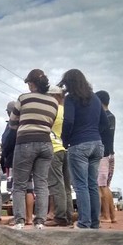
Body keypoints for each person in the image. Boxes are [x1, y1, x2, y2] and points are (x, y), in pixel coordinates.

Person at [58, 69, 108, 229]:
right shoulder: (95, 98)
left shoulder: (71, 98)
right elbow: (105, 123)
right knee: (92, 184)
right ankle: (94, 222)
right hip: (97, 144)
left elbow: (69, 121)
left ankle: (84, 222)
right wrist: (94, 134)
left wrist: (65, 141)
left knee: (80, 185)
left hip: (79, 145)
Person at [9, 69, 58, 230]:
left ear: (33, 84)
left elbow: (12, 122)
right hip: (45, 143)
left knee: (20, 184)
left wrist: (23, 127)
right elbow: (49, 124)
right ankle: (40, 222)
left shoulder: (24, 98)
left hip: (25, 142)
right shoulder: (53, 103)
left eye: (29, 83)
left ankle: (19, 221)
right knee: (41, 184)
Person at [45, 85, 74, 227]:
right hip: (66, 149)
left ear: (54, 96)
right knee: (66, 186)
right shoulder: (67, 111)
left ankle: (60, 217)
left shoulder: (52, 110)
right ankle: (68, 215)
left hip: (54, 149)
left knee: (57, 185)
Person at [95, 90, 117, 224]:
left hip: (102, 155)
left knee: (100, 186)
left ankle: (106, 216)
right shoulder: (111, 116)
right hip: (110, 153)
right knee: (106, 186)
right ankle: (112, 216)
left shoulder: (102, 117)